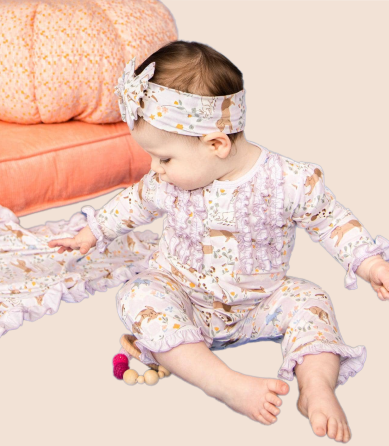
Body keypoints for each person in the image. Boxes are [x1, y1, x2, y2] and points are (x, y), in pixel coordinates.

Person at [48, 41, 389, 443]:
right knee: (139, 296)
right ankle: (223, 382)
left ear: (216, 144)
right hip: (184, 298)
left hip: (261, 304)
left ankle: (316, 386)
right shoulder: (167, 184)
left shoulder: (288, 182)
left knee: (312, 301)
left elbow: (331, 220)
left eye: (164, 158)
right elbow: (133, 203)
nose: (155, 170)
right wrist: (94, 232)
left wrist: (369, 263)